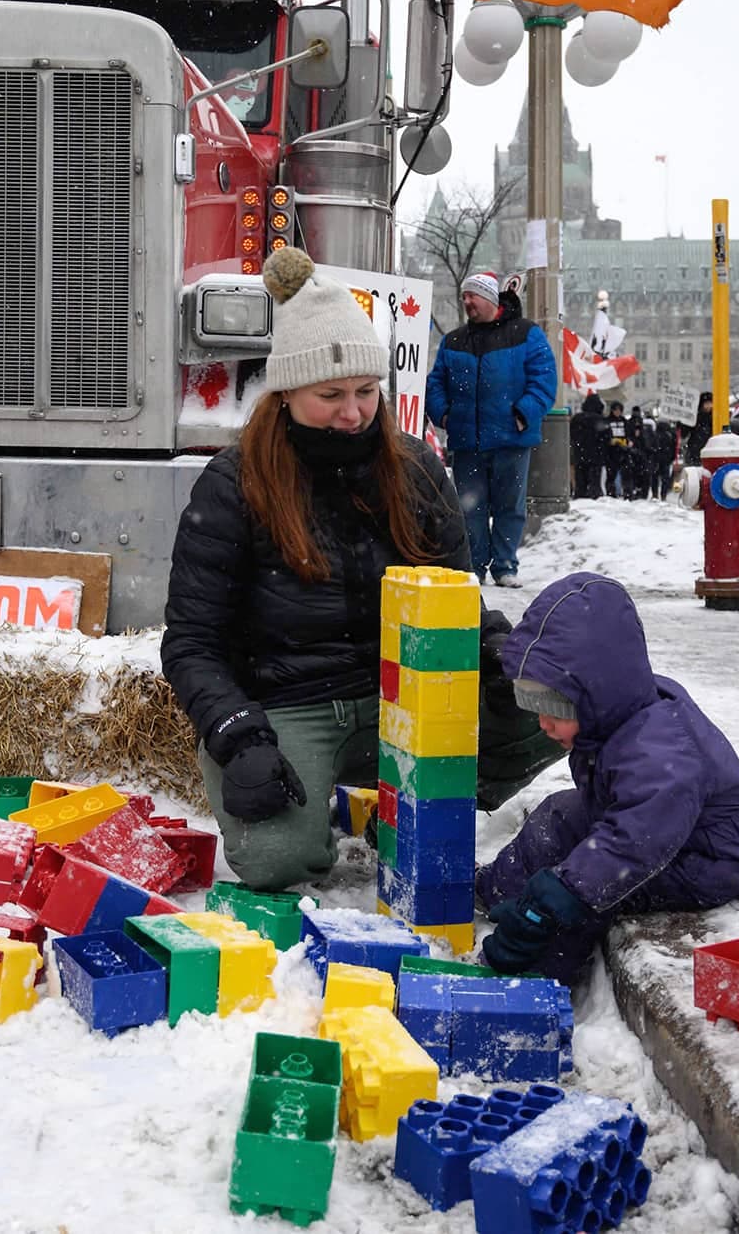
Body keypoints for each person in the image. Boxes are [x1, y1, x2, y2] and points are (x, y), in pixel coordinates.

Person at [162, 248, 563, 892]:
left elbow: (457, 596)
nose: (352, 413)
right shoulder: (233, 486)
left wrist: (500, 655)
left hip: (400, 698)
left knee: (554, 705)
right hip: (287, 705)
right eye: (331, 395)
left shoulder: (415, 470)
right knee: (276, 861)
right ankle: (308, 803)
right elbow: (190, 642)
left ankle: (414, 812)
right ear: (288, 392)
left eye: (366, 392)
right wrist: (237, 735)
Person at [475, 572, 739, 984]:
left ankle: (536, 977)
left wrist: (564, 894)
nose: (544, 724)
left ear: (594, 693)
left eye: (554, 708)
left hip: (703, 858)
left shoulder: (662, 755)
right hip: (651, 832)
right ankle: (499, 891)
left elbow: (631, 845)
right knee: (559, 816)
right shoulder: (613, 714)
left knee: (584, 896)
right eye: (533, 705)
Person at [426, 271, 557, 587]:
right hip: (467, 440)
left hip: (511, 438)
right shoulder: (454, 341)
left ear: (490, 298)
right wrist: (443, 415)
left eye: (472, 295)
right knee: (470, 508)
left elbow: (544, 379)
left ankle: (504, 565)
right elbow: (435, 384)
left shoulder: (527, 334)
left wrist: (523, 414)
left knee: (509, 505)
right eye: (464, 296)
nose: (467, 301)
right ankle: (474, 566)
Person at [570, 392, 608, 499]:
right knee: (594, 482)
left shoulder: (577, 419)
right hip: (596, 456)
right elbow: (607, 438)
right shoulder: (601, 420)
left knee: (580, 480)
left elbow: (571, 435)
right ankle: (593, 498)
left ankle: (580, 497)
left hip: (580, 454)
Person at [645, 416, 679, 501]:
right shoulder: (670, 433)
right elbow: (674, 446)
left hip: (655, 459)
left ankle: (655, 495)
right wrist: (672, 458)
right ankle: (663, 495)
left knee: (655, 478)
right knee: (665, 479)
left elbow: (650, 446)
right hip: (666, 459)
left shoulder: (655, 433)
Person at [602, 401, 629, 497]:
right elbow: (604, 435)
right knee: (611, 474)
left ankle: (625, 492)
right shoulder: (607, 421)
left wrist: (627, 441)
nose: (617, 412)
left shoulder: (624, 421)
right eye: (615, 410)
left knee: (625, 473)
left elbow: (629, 433)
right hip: (611, 452)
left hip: (623, 451)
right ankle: (611, 492)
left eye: (619, 410)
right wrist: (610, 441)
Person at [683, 391, 714, 467]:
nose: (709, 406)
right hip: (696, 453)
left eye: (711, 403)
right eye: (707, 403)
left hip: (708, 451)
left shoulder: (715, 418)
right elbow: (685, 432)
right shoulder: (695, 418)